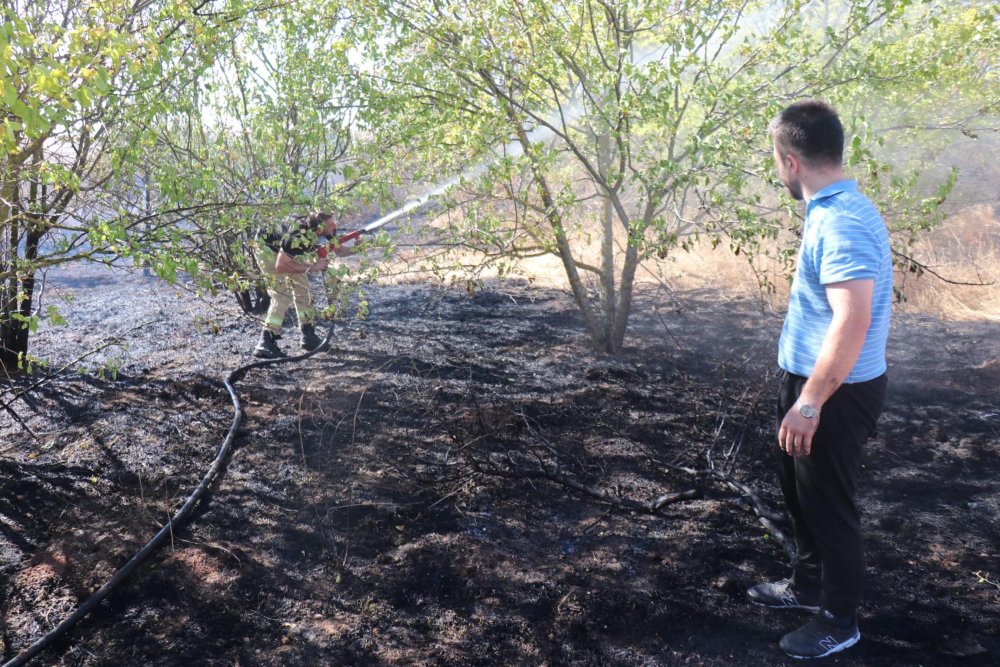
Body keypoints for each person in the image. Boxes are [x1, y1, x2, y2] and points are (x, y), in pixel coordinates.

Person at [747, 100, 892, 659]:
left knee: (829, 505)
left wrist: (809, 403)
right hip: (814, 382)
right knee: (801, 495)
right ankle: (808, 589)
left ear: (790, 161)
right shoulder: (839, 207)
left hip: (835, 392)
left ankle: (839, 620)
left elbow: (851, 320)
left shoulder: (841, 222)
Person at [252, 211, 353, 359]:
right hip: (267, 249)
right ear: (319, 230)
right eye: (331, 224)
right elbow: (281, 266)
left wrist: (361, 245)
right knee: (281, 294)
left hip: (287, 251)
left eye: (333, 222)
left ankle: (308, 335)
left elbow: (339, 250)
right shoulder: (297, 235)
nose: (335, 225)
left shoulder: (324, 225)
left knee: (303, 289)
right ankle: (265, 340)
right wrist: (312, 267)